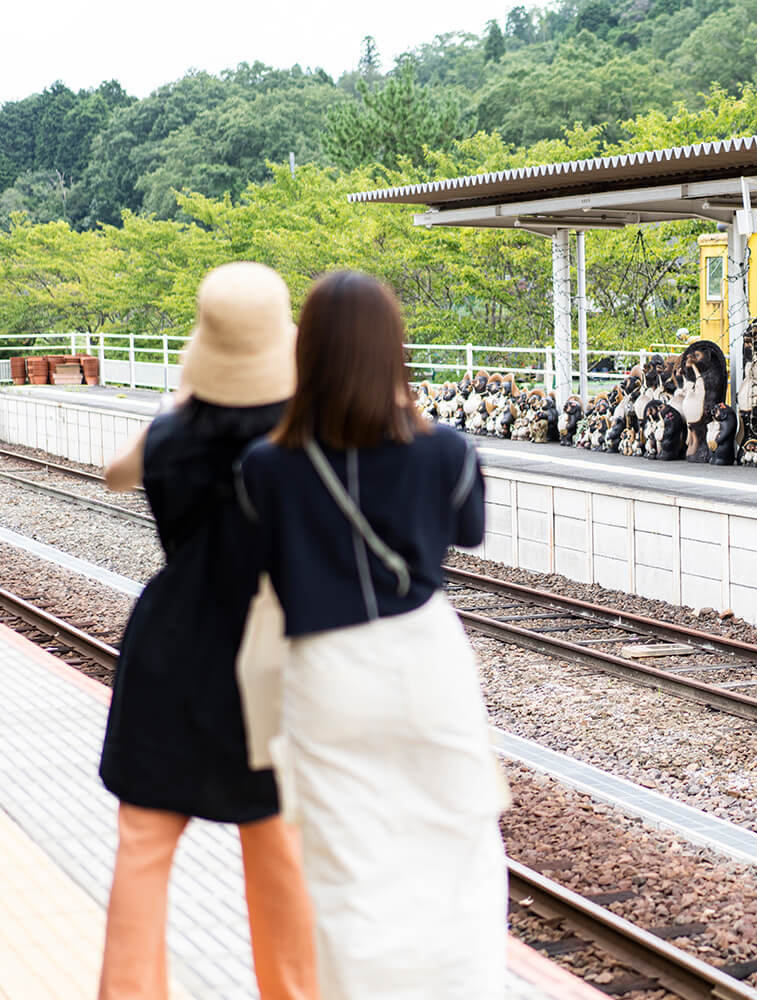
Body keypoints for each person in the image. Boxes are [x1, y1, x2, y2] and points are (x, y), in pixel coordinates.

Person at [237, 271, 505, 999]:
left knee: (345, 863)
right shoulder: (443, 450)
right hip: (426, 659)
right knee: (460, 847)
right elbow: (471, 531)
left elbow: (253, 568)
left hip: (325, 671)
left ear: (310, 352)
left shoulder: (266, 465)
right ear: (394, 350)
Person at [98, 262, 319, 1000]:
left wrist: (182, 400)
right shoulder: (297, 449)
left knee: (142, 849)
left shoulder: (170, 439)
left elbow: (114, 472)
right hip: (264, 660)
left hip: (166, 651)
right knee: (279, 851)